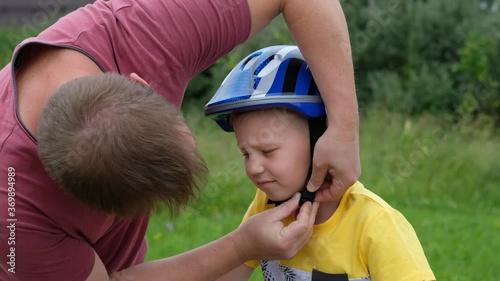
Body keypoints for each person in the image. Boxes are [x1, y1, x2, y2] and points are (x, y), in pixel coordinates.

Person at [0, 0, 359, 280]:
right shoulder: (16, 212)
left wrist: (343, 127)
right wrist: (240, 247)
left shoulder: (147, 30)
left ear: (142, 84)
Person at [205, 45, 436, 281]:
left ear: (322, 138)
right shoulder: (266, 205)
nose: (253, 168)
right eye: (246, 154)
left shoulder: (374, 224)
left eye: (268, 151)